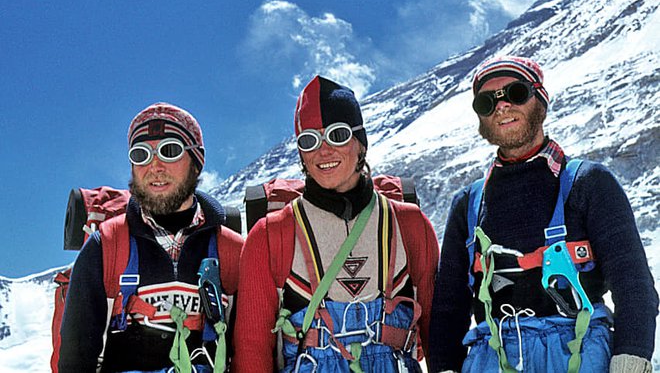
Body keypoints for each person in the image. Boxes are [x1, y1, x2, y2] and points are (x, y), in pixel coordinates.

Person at [428, 56, 658, 373]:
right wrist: (444, 367)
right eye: (487, 102)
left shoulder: (589, 183)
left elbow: (632, 282)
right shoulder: (468, 203)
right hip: (492, 355)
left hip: (579, 350)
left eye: (516, 93)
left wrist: (631, 355)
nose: (502, 106)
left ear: (540, 101)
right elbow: (448, 305)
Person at [233, 76, 439, 372]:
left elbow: (438, 333)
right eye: (309, 140)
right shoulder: (270, 235)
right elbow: (253, 352)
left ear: (361, 143)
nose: (324, 150)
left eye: (338, 135)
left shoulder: (409, 224)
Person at [58, 102, 244, 373]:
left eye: (170, 151)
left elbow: (252, 352)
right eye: (141, 154)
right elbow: (75, 360)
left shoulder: (232, 250)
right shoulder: (105, 247)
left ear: (197, 162)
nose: (154, 166)